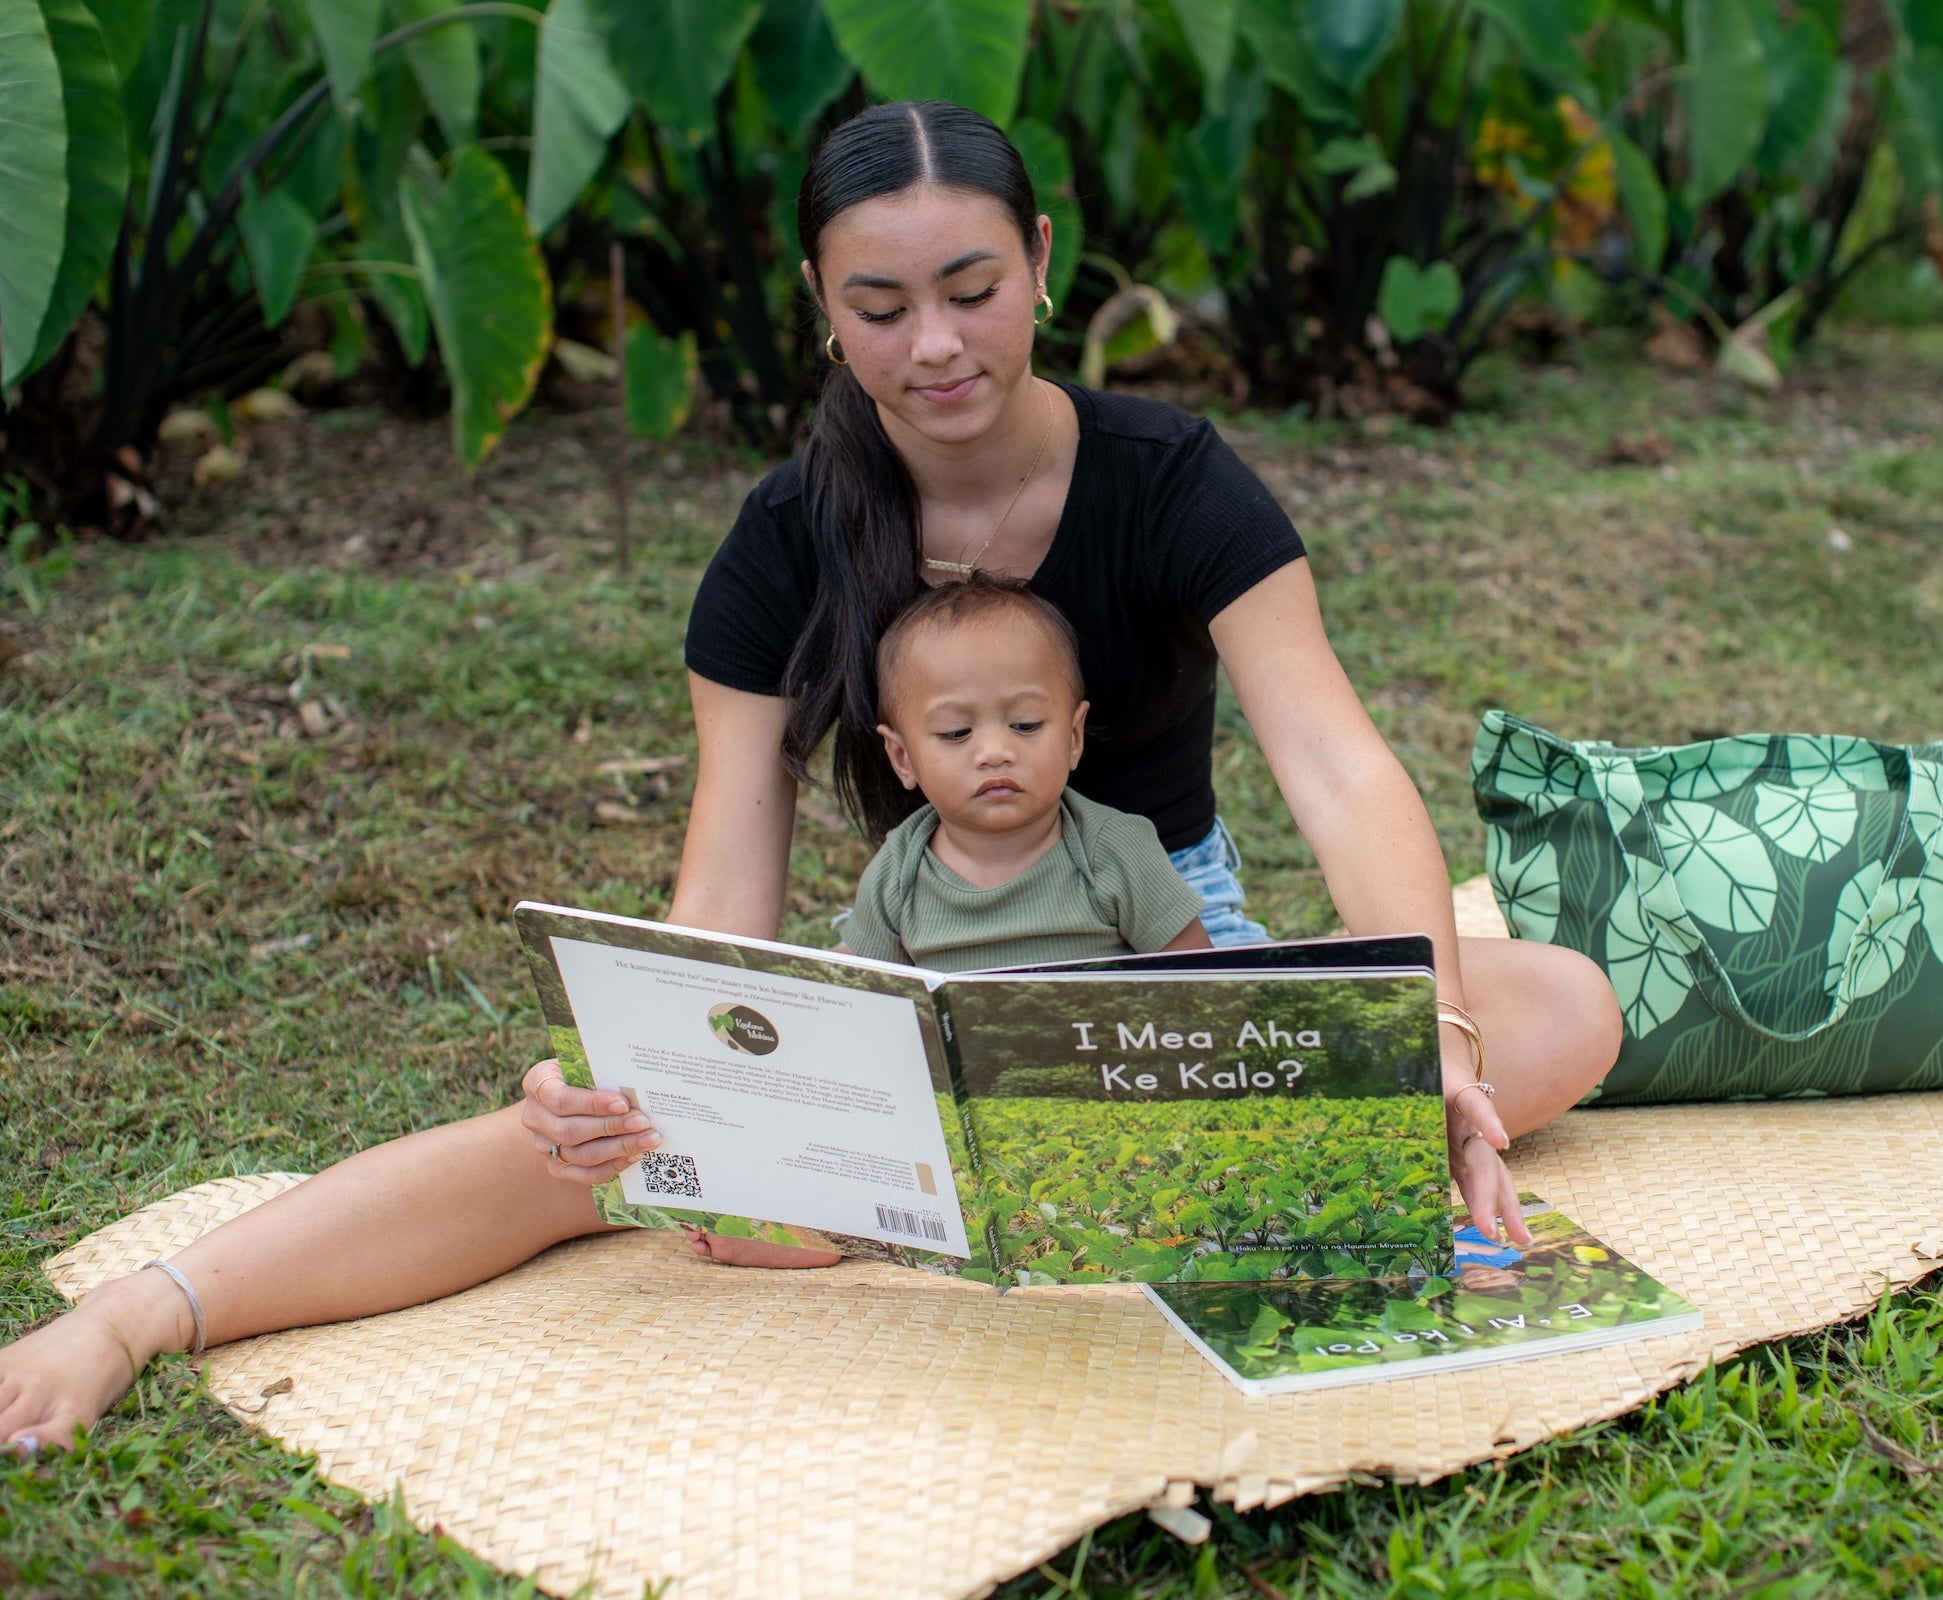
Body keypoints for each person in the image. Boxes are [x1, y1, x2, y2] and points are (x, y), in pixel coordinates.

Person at [0, 99, 1620, 1456]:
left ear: (1045, 264)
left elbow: (1338, 772)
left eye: (975, 287)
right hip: (907, 995)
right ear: (818, 303)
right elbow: (728, 886)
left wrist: (1442, 1036)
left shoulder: (1175, 481)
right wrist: (665, 1077)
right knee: (576, 1146)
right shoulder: (781, 545)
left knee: (1554, 1009)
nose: (936, 346)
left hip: (1151, 992)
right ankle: (142, 1314)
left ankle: (917, 1199)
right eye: (881, 305)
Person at [838, 572, 1211, 971]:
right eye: (956, 732)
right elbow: (856, 987)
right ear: (902, 758)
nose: (995, 753)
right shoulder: (898, 873)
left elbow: (1199, 977)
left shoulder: (1114, 851)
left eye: (1026, 725)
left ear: (1073, 736)